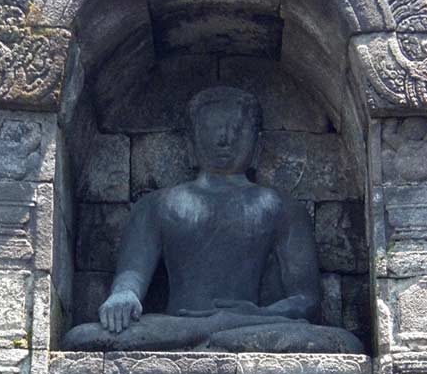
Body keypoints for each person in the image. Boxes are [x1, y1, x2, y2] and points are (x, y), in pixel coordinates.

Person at [64, 87, 363, 353]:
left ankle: (215, 334)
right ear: (191, 142)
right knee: (82, 338)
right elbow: (132, 276)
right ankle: (213, 334)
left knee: (343, 343)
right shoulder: (157, 205)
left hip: (254, 325)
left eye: (237, 129)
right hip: (178, 325)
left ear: (257, 144)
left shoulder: (282, 208)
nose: (224, 139)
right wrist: (123, 297)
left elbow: (306, 301)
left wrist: (252, 316)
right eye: (212, 128)